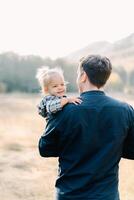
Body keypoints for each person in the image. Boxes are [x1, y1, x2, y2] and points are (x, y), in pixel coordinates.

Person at [38, 55, 134, 200]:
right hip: (107, 195)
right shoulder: (125, 110)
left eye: (78, 74)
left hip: (70, 194)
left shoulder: (64, 109)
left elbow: (45, 149)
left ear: (83, 76)